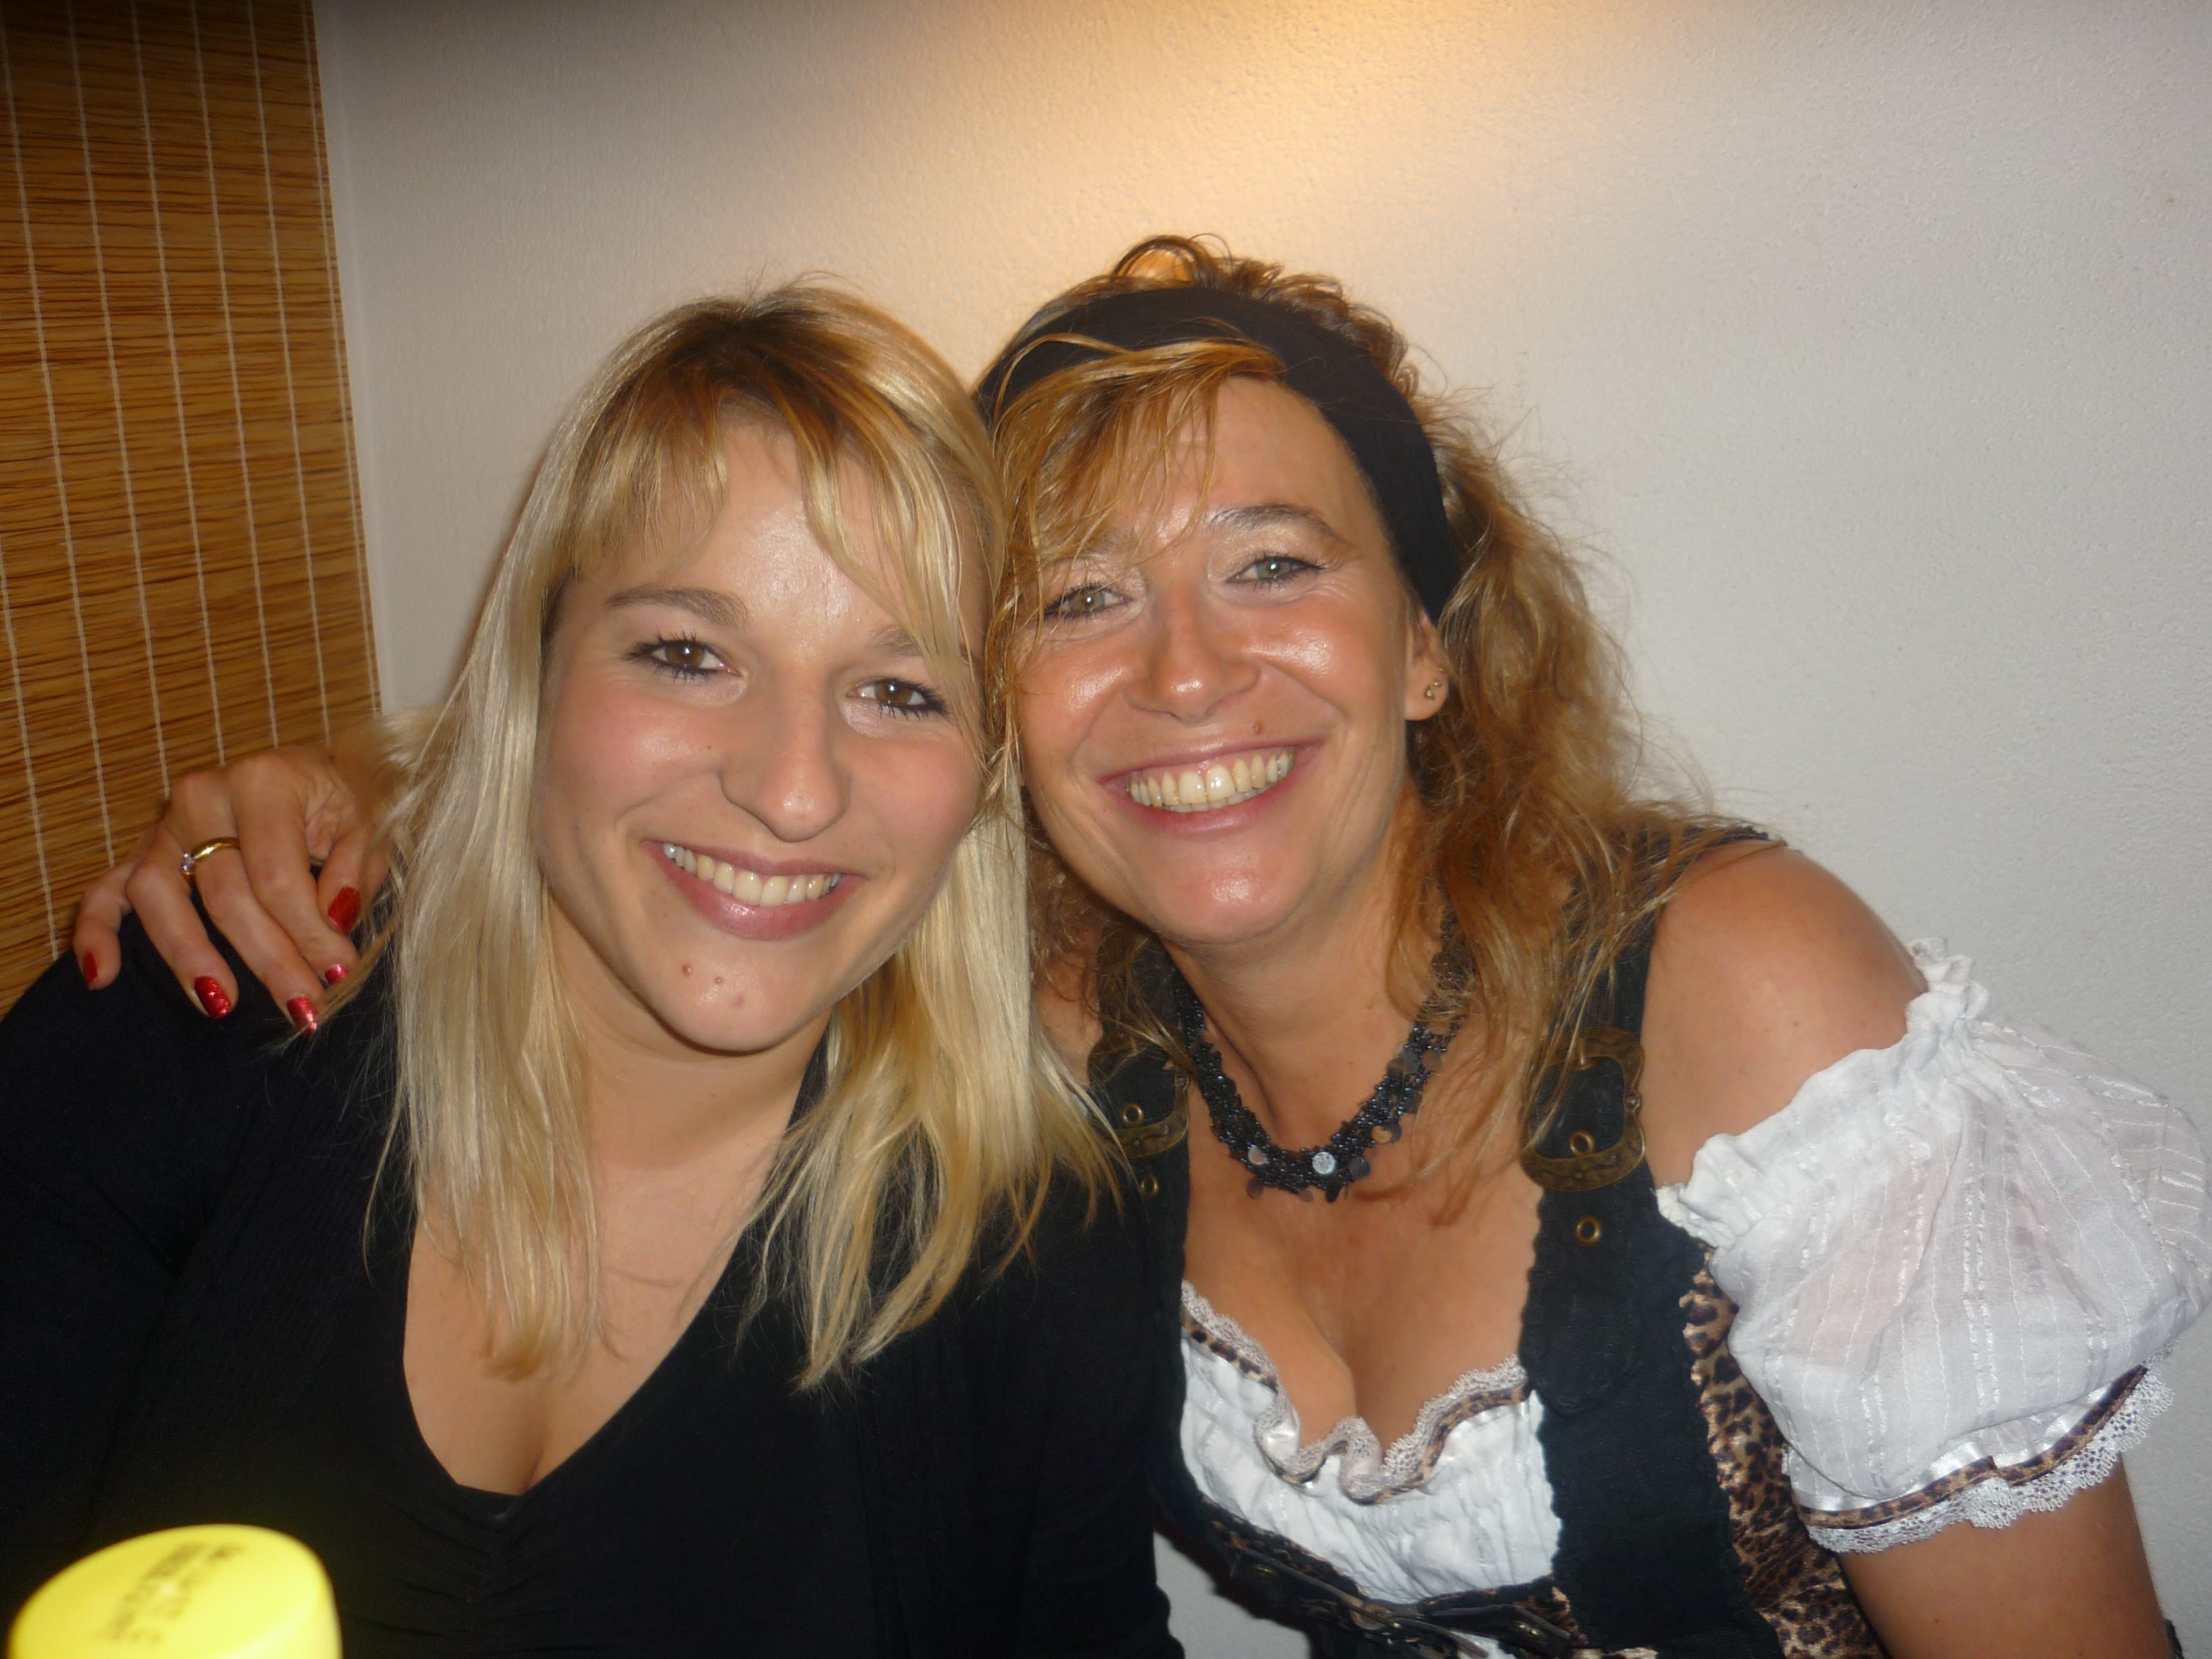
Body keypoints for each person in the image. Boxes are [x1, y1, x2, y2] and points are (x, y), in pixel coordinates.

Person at [71, 239, 2211, 1658]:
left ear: (1432, 651)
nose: (1186, 673)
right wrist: (334, 796)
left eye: (1274, 565)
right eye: (1084, 597)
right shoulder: (1055, 1051)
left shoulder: (1731, 1001)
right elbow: (708, 801)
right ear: (1004, 711)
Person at [2, 288, 1177, 1658]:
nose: (793, 789)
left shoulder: (1041, 1261)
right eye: (688, 654)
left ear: (979, 782)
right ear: (537, 675)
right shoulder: (197, 1020)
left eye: (899, 690)